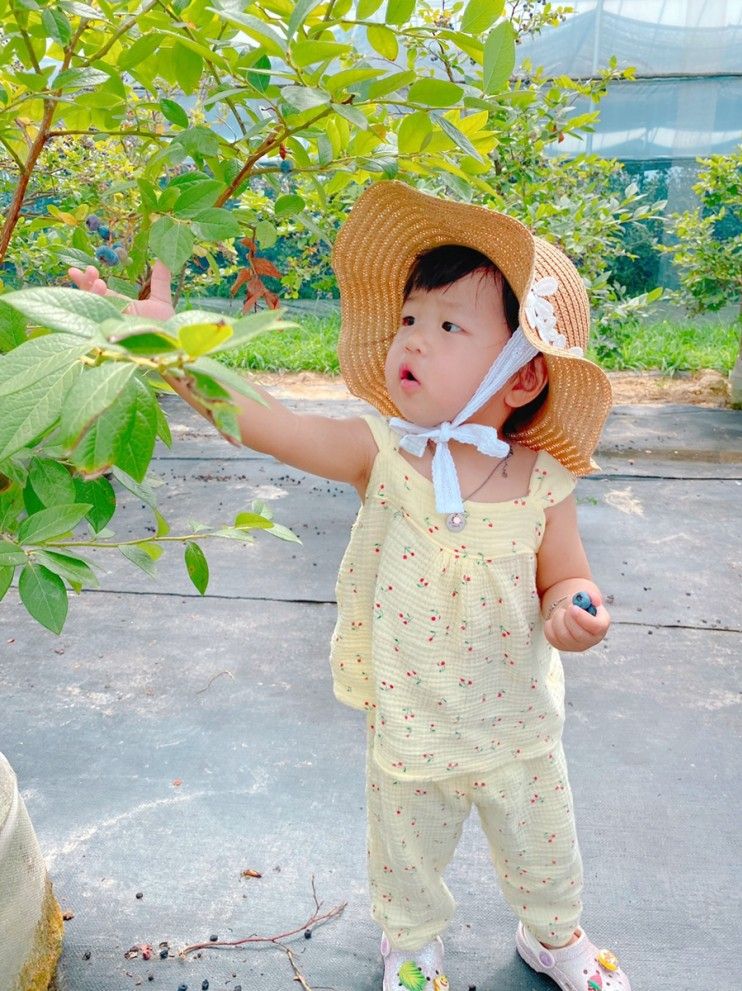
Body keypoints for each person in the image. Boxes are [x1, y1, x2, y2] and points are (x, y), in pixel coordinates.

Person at [70, 181, 630, 991]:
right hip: (412, 717)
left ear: (520, 377)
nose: (413, 339)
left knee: (545, 844)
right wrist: (172, 353)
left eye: (447, 326)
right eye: (409, 319)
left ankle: (553, 935)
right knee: (405, 849)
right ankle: (409, 943)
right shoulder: (382, 455)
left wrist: (572, 609)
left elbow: (563, 574)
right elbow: (270, 424)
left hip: (518, 724)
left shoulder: (544, 480)